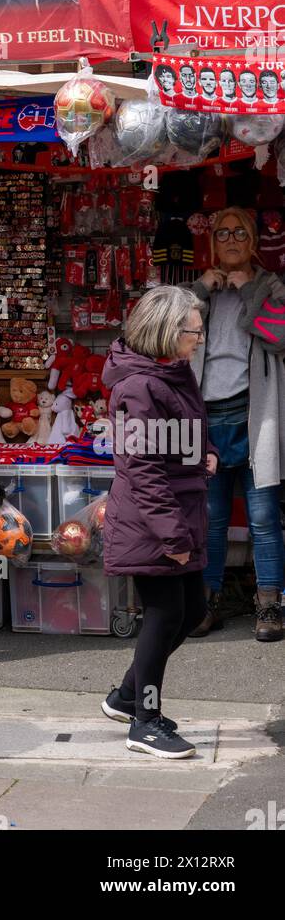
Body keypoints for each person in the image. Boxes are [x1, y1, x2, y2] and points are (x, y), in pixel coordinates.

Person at [101, 286, 216, 759]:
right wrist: (173, 535)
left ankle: (128, 696)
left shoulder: (172, 372)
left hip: (178, 512)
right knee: (166, 614)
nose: (202, 338)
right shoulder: (138, 387)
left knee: (189, 611)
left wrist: (204, 452)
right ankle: (144, 721)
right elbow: (141, 468)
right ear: (168, 331)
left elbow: (187, 430)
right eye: (195, 330)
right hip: (155, 523)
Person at [189, 208, 285, 642]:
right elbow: (163, 336)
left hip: (254, 414)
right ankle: (206, 601)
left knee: (264, 518)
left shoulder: (269, 285)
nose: (230, 239)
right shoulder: (200, 290)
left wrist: (249, 292)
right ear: (212, 243)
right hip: (206, 416)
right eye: (222, 232)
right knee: (209, 517)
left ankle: (269, 605)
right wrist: (198, 291)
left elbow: (279, 336)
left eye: (239, 232)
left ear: (252, 242)